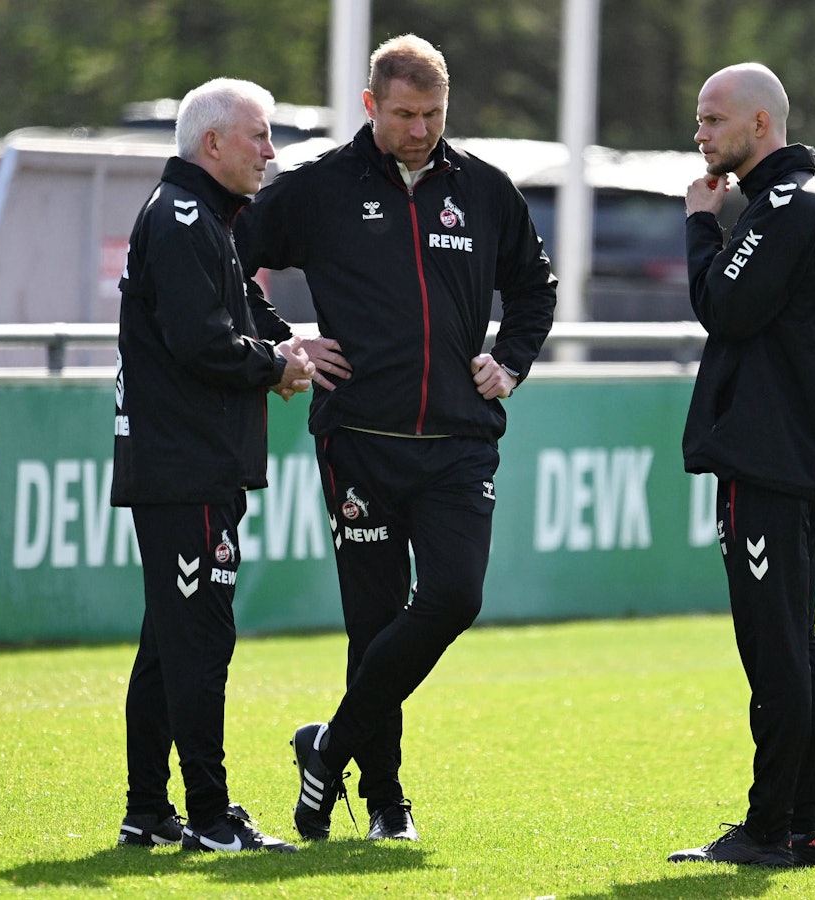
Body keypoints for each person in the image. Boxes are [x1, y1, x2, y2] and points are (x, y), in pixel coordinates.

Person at [236, 34, 557, 843]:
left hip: (458, 443)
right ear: (372, 106)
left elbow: (534, 285)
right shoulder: (319, 190)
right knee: (373, 625)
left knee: (455, 596)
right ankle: (384, 802)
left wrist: (511, 361)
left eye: (435, 114)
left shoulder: (483, 191)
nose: (421, 130)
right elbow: (226, 256)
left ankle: (328, 747)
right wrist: (284, 342)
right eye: (406, 114)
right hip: (360, 441)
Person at [111, 77, 319, 853]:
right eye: (260, 136)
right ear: (212, 145)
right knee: (199, 640)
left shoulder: (204, 220)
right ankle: (209, 815)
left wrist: (283, 349)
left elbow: (231, 321)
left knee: (170, 642)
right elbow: (202, 341)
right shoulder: (183, 218)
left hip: (187, 463)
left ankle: (147, 809)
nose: (270, 152)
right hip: (185, 466)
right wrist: (275, 365)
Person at [667, 63, 815, 868]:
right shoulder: (814, 208)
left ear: (759, 126)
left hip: (771, 458)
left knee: (774, 652)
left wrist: (701, 225)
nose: (701, 135)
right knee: (794, 646)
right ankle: (799, 827)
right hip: (803, 451)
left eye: (713, 120)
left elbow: (725, 306)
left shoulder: (783, 205)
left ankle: (769, 828)